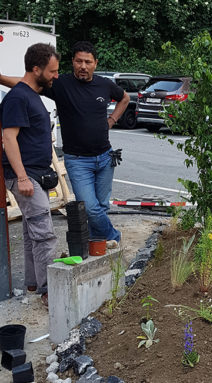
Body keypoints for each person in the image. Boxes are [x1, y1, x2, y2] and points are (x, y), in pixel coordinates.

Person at [1, 41, 130, 244]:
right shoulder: (60, 84)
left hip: (105, 157)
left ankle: (98, 246)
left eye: (88, 62)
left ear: (95, 63)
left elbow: (125, 98)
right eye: (78, 61)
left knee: (102, 207)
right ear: (73, 62)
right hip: (78, 161)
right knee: (89, 207)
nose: (83, 66)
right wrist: (0, 78)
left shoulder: (105, 84)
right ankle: (114, 237)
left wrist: (112, 120)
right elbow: (23, 84)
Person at [1, 43, 60, 305]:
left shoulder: (28, 92)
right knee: (44, 233)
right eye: (52, 71)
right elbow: (9, 138)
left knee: (31, 231)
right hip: (26, 177)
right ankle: (50, 291)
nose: (55, 76)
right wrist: (22, 178)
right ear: (36, 69)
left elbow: (20, 83)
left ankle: (34, 285)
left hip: (35, 174)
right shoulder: (17, 98)